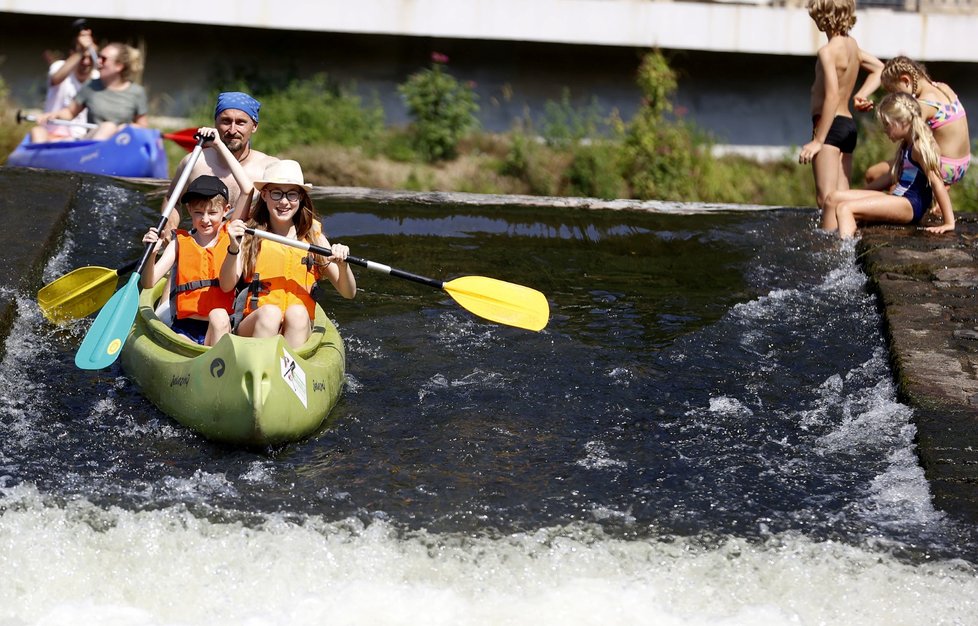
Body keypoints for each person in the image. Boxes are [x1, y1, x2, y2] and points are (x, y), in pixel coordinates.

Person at [221, 160, 356, 349]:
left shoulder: (313, 238)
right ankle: (259, 369)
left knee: (298, 314)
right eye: (277, 193)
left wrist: (343, 264)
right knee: (270, 314)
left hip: (297, 327)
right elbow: (226, 285)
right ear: (265, 195)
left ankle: (289, 372)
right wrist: (233, 247)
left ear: (300, 198)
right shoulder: (250, 235)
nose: (284, 202)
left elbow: (348, 293)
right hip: (256, 324)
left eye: (291, 194)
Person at [798, 0, 883, 230]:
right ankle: (848, 246)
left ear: (823, 16)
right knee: (842, 197)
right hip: (847, 126)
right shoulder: (852, 46)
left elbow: (832, 96)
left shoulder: (827, 51)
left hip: (829, 127)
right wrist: (861, 95)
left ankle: (831, 256)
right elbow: (880, 69)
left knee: (826, 200)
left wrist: (818, 141)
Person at [822, 93, 954, 239]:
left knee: (845, 208)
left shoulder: (919, 146)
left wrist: (949, 222)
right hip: (898, 197)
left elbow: (937, 182)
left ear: (902, 121)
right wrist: (862, 193)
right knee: (832, 199)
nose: (885, 130)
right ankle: (827, 247)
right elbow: (890, 177)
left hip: (910, 205)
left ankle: (842, 257)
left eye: (887, 124)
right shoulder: (906, 143)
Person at [140, 175, 247, 346]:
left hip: (220, 326)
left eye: (212, 213)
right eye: (198, 213)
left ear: (226, 210)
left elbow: (247, 191)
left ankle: (217, 364)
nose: (205, 220)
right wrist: (151, 254)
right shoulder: (178, 242)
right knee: (183, 343)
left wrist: (234, 247)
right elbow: (148, 282)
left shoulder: (233, 240)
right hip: (184, 328)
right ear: (189, 210)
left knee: (218, 315)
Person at [163, 92, 279, 235]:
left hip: (249, 246)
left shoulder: (269, 168)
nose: (232, 130)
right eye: (226, 121)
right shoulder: (193, 162)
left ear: (254, 126)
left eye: (241, 122)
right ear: (215, 123)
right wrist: (170, 230)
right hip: (204, 245)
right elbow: (172, 199)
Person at [864, 56, 970, 190]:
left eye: (895, 92)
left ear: (905, 80)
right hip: (961, 166)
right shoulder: (943, 87)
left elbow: (910, 150)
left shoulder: (922, 104)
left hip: (943, 167)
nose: (896, 98)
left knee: (873, 175)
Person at [34, 41, 148, 141]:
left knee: (109, 127)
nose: (98, 61)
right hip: (92, 142)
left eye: (103, 59)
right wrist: (52, 115)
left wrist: (125, 128)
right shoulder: (91, 85)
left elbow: (142, 127)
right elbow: (70, 113)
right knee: (108, 127)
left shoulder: (137, 92)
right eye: (98, 57)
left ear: (118, 66)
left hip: (120, 143)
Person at [32, 20, 99, 143]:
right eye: (83, 57)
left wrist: (91, 49)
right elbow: (56, 78)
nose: (86, 62)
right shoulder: (59, 66)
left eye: (90, 58)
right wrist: (81, 50)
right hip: (51, 132)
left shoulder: (96, 77)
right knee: (36, 132)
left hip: (78, 137)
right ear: (72, 54)